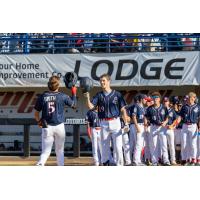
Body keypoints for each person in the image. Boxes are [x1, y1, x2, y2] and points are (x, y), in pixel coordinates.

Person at [84, 74, 128, 166]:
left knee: (118, 147)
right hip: (103, 122)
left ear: (109, 81)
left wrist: (126, 123)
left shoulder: (117, 94)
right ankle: (105, 163)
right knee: (104, 147)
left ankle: (120, 165)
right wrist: (87, 98)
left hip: (115, 121)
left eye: (104, 80)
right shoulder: (99, 95)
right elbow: (91, 106)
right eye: (101, 81)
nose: (102, 82)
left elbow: (123, 109)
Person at [34, 75, 77, 166]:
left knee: (45, 152)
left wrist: (39, 122)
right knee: (60, 151)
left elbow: (36, 114)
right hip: (59, 127)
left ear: (48, 85)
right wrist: (74, 93)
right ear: (58, 86)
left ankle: (40, 164)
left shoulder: (42, 96)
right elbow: (74, 105)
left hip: (47, 126)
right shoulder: (62, 96)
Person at [144, 92, 169, 166]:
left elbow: (167, 117)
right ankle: (155, 161)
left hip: (162, 127)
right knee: (153, 145)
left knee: (164, 144)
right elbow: (146, 116)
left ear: (159, 99)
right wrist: (146, 123)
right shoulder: (149, 108)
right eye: (154, 98)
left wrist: (165, 122)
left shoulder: (164, 107)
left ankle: (166, 161)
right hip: (153, 126)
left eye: (157, 98)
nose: (155, 99)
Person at [177, 92, 200, 166]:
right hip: (185, 125)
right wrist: (176, 122)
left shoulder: (198, 107)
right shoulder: (184, 106)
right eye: (189, 97)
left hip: (193, 125)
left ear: (194, 98)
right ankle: (184, 159)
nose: (191, 99)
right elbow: (180, 116)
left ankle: (193, 159)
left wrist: (199, 126)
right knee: (184, 143)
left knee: (193, 144)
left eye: (192, 97)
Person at [130, 94, 147, 166]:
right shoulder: (136, 106)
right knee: (138, 143)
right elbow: (133, 116)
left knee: (140, 144)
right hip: (137, 125)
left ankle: (138, 160)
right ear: (141, 99)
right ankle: (135, 160)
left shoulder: (142, 107)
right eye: (145, 99)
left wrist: (145, 125)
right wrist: (137, 127)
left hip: (141, 125)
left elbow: (143, 117)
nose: (146, 100)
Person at [161, 97, 177, 165]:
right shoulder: (160, 110)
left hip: (170, 129)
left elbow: (175, 119)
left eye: (166, 101)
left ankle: (173, 160)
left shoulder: (172, 110)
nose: (165, 103)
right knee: (164, 145)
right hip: (163, 128)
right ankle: (166, 160)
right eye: (164, 101)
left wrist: (172, 125)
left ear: (168, 102)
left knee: (171, 145)